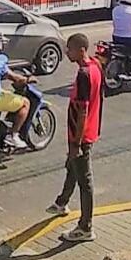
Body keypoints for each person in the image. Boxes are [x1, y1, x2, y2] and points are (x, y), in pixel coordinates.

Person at [45, 34, 103, 242]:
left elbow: (83, 112)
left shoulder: (84, 74)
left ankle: (85, 227)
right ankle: (61, 202)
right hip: (87, 132)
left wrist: (76, 144)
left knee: (84, 180)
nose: (66, 52)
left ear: (80, 50)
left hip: (81, 135)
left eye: (69, 49)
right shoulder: (95, 66)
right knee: (72, 167)